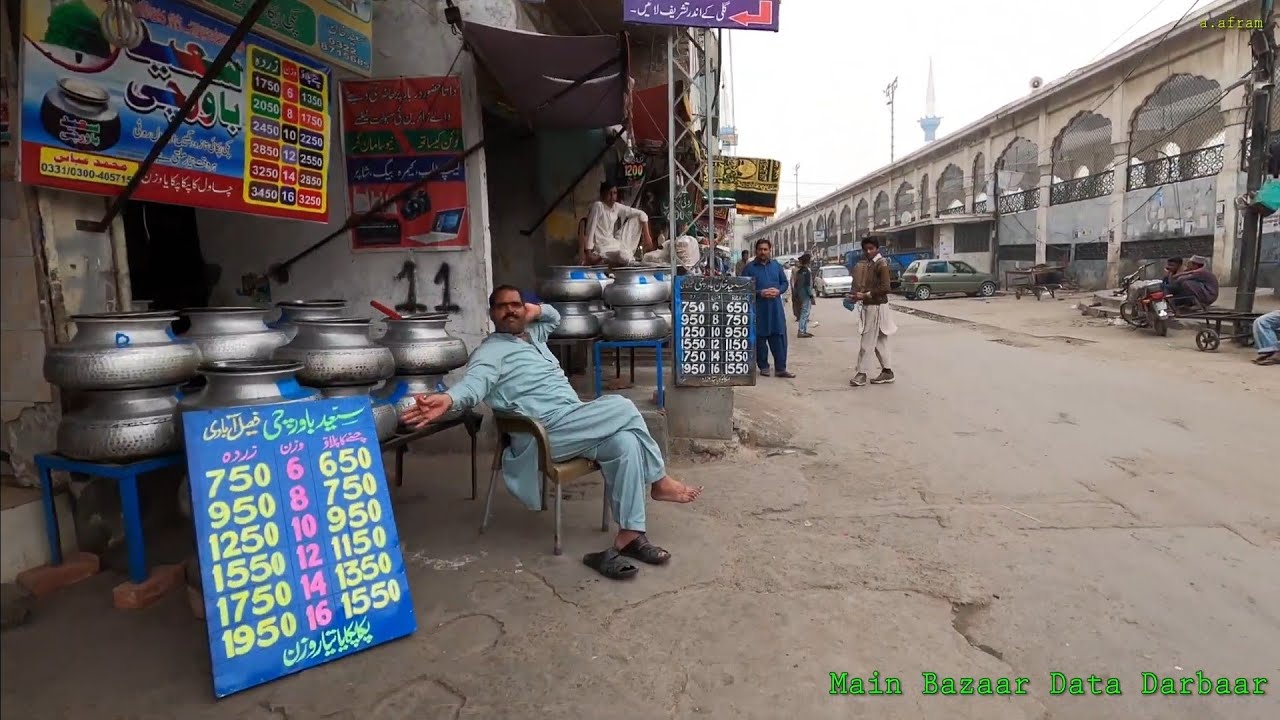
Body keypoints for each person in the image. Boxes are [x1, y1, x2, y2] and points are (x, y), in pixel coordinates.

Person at [401, 286, 702, 580]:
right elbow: (473, 385)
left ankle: (630, 535)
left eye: (515, 305)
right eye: (502, 306)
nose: (510, 310)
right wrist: (450, 399)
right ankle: (659, 481)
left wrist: (536, 311)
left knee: (625, 443)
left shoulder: (535, 337)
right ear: (491, 314)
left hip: (574, 423)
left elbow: (554, 317)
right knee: (623, 406)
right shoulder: (490, 352)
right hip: (545, 435)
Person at [740, 238, 794, 377]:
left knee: (779, 338)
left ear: (770, 250)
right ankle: (763, 366)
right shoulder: (749, 268)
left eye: (765, 249)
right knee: (760, 339)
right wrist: (760, 293)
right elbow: (742, 288)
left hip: (775, 309)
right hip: (758, 309)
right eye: (760, 249)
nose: (763, 252)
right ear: (756, 251)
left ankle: (781, 368)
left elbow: (784, 283)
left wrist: (778, 291)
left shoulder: (776, 266)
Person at [848, 236, 897, 387]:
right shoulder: (870, 263)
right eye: (866, 249)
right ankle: (887, 372)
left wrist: (866, 295)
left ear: (877, 249)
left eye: (871, 248)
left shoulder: (881, 264)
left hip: (876, 306)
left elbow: (886, 287)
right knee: (879, 342)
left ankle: (861, 374)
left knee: (867, 341)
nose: (868, 251)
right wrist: (857, 296)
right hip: (873, 305)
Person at [580, 181, 655, 266]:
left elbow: (641, 214)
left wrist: (647, 235)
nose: (612, 197)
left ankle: (626, 257)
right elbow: (590, 229)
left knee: (637, 218)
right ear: (602, 195)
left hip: (614, 243)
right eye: (609, 194)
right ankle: (608, 257)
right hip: (602, 247)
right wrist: (589, 254)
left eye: (614, 193)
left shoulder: (616, 207)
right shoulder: (598, 206)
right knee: (623, 255)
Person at [792, 253, 816, 338]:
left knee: (804, 312)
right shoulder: (807, 271)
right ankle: (801, 331)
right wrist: (811, 296)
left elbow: (796, 284)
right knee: (805, 313)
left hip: (799, 294)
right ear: (808, 261)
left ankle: (804, 330)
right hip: (805, 294)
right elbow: (807, 285)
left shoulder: (799, 271)